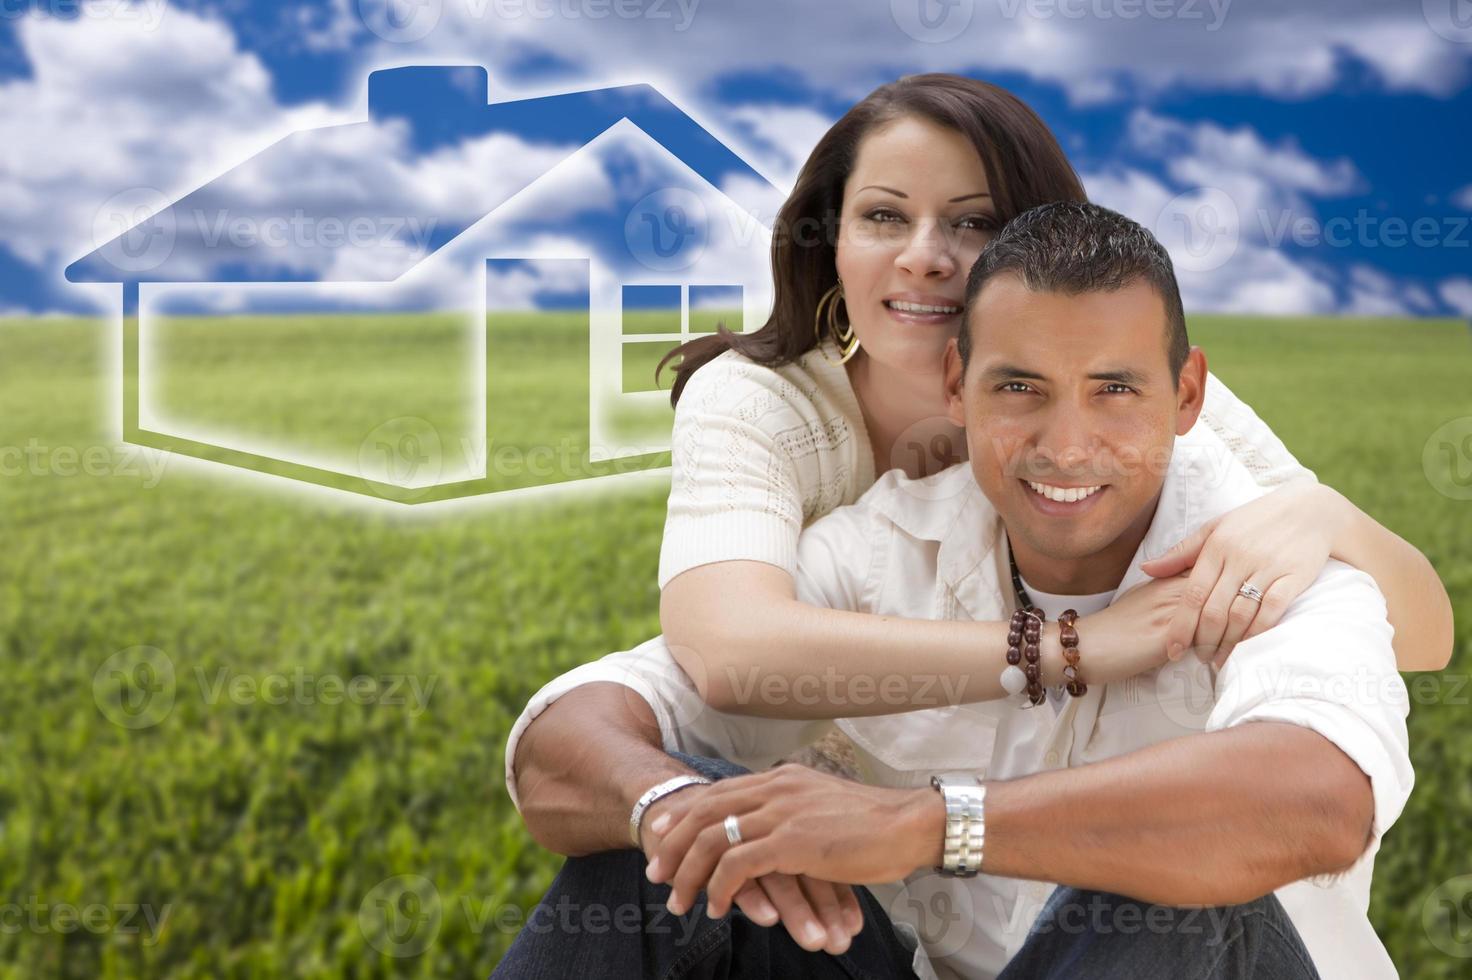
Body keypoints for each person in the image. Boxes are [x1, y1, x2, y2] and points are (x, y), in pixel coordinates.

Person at [495, 203, 1414, 979]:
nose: (1066, 444)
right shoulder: (882, 551)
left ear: (1186, 394)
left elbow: (1314, 800)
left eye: (1115, 391)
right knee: (663, 866)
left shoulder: (1271, 556)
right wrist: (669, 808)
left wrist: (928, 825)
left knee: (1175, 892)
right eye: (1019, 386)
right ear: (956, 386)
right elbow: (566, 740)